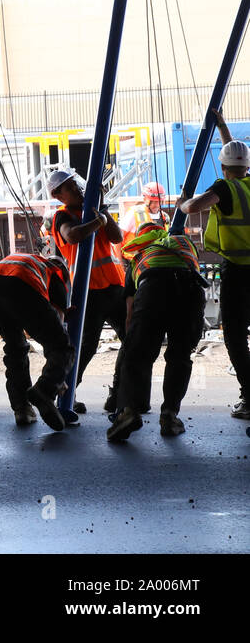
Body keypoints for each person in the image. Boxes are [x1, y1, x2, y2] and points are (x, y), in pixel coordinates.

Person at [178, 113, 250, 420]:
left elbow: (195, 206)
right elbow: (233, 157)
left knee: (234, 334)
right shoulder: (245, 185)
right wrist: (222, 128)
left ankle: (249, 396)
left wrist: (183, 202)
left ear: (222, 167)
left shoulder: (225, 188)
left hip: (237, 271)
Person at [108, 223, 207, 442]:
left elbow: (130, 313)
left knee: (137, 356)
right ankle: (169, 417)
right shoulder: (184, 243)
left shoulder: (139, 259)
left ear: (141, 240)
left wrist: (131, 342)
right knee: (180, 356)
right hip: (190, 288)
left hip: (153, 288)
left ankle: (129, 412)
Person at [47, 168, 127, 413]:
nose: (76, 188)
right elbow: (72, 236)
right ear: (59, 195)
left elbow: (116, 237)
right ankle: (62, 395)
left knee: (132, 339)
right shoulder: (62, 216)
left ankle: (119, 394)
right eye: (69, 187)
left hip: (114, 286)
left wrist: (102, 211)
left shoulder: (92, 209)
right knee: (85, 347)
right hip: (89, 291)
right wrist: (97, 221)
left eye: (75, 184)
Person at [0, 251, 71, 430]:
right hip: (21, 284)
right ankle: (44, 390)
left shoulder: (29, 260)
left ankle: (23, 409)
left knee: (15, 347)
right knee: (62, 346)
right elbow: (55, 334)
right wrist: (57, 377)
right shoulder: (56, 274)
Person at [120, 182, 169, 248]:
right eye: (153, 202)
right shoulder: (134, 213)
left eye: (159, 201)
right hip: (134, 257)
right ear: (145, 199)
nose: (157, 205)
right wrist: (118, 258)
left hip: (155, 256)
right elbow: (117, 238)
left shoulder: (165, 218)